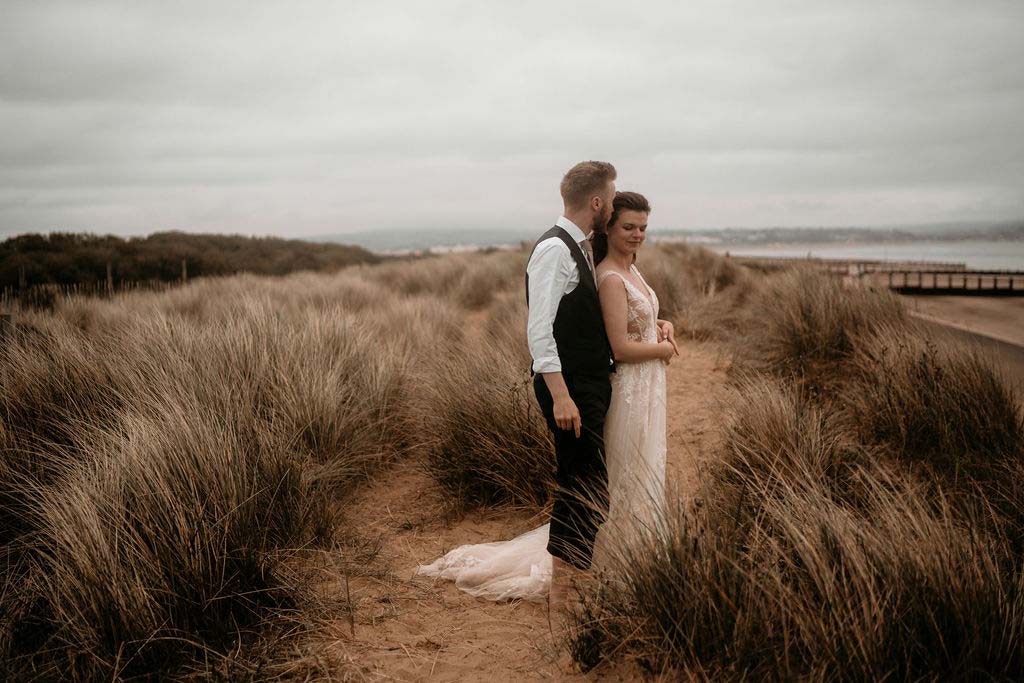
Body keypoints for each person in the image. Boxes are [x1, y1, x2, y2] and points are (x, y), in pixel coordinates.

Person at [415, 174, 675, 623]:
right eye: (612, 202)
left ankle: (575, 580)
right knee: (582, 484)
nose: (616, 212)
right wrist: (561, 396)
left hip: (589, 384)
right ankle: (563, 593)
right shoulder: (555, 249)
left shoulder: (583, 247)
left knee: (589, 481)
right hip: (568, 387)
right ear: (597, 202)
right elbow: (540, 331)